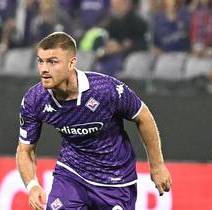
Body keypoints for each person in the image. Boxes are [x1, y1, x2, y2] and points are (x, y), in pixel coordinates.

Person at [16, 32, 172, 210]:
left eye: (52, 62)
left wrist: (157, 166)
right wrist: (32, 185)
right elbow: (25, 150)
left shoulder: (106, 90)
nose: (44, 69)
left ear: (71, 63)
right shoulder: (35, 99)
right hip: (72, 174)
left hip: (115, 180)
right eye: (40, 61)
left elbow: (144, 117)